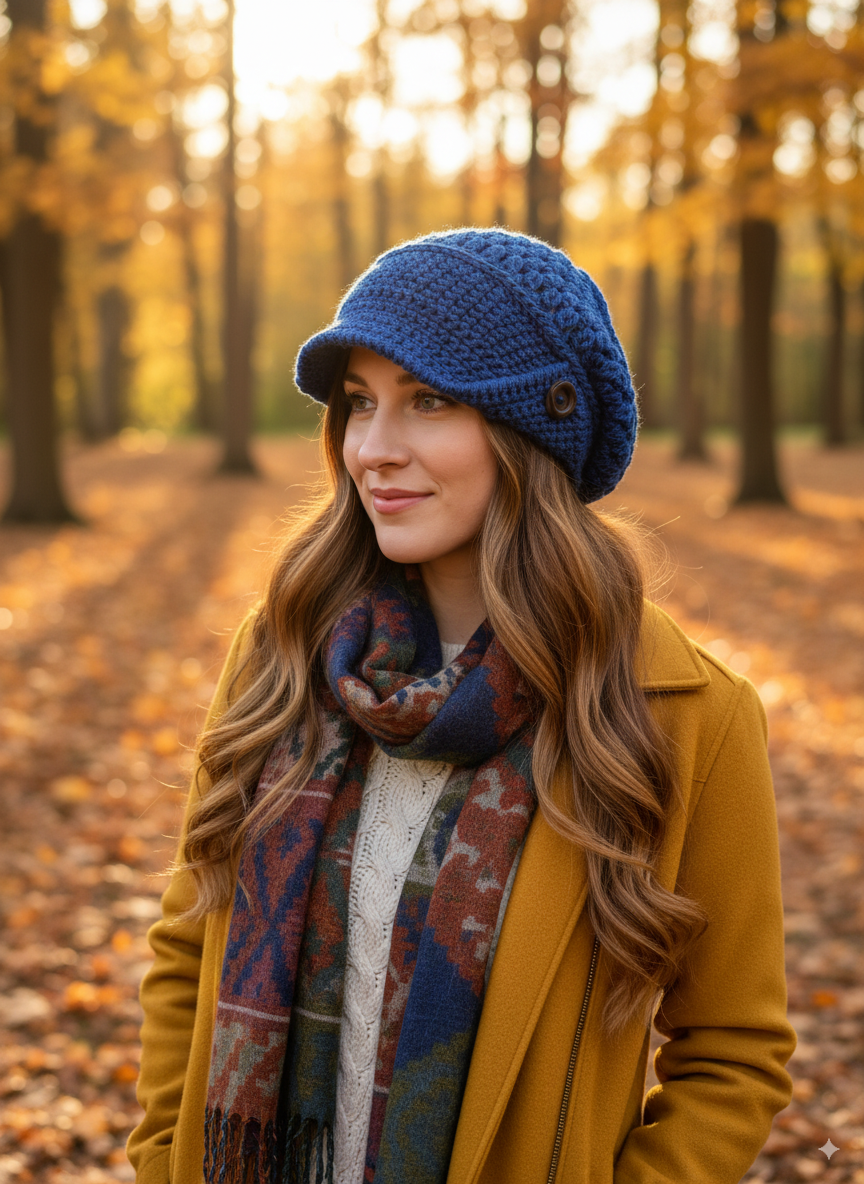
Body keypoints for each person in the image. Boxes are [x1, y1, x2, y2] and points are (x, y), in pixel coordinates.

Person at [127, 228, 795, 1184]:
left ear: (533, 431)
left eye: (427, 401)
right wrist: (163, 1160)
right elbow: (190, 946)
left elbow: (733, 1052)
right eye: (361, 404)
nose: (374, 449)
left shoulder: (681, 711)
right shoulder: (285, 653)